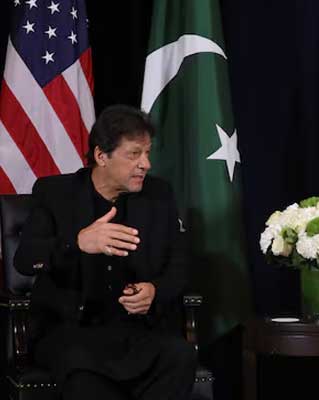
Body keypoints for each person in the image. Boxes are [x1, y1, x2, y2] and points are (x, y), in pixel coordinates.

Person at [14, 105, 196, 400]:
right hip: (70, 330)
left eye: (147, 153)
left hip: (136, 330)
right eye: (134, 154)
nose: (146, 164)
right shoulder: (55, 193)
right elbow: (24, 259)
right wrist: (78, 242)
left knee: (180, 355)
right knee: (83, 373)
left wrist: (154, 290)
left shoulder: (159, 195)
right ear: (101, 156)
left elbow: (179, 265)